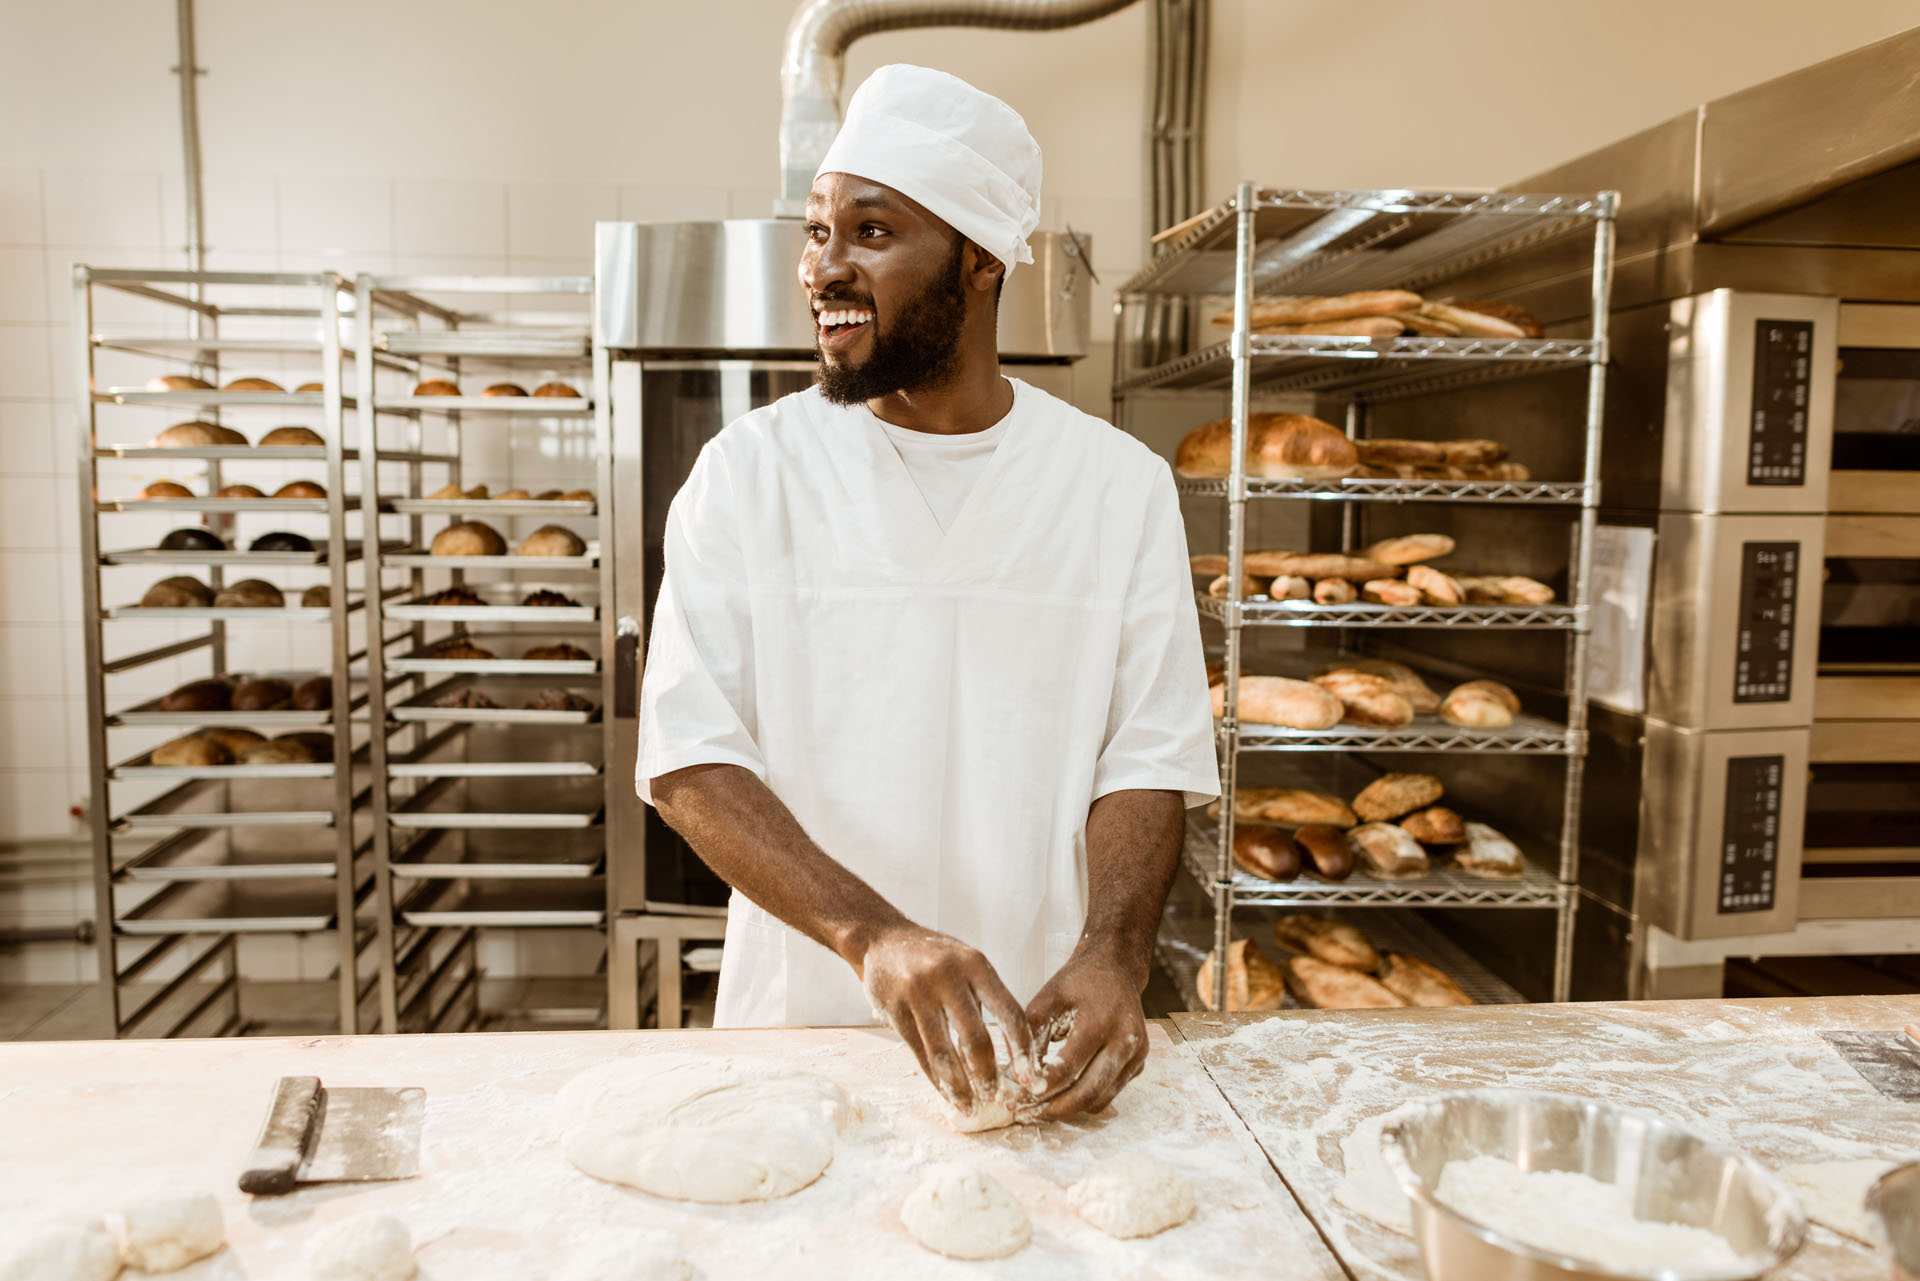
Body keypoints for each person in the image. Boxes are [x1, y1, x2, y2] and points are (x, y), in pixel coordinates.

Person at [638, 63, 1217, 1123]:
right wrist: (874, 935)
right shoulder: (751, 474)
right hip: (801, 1037)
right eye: (818, 232)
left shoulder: (1114, 488)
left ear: (980, 262)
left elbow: (1148, 754)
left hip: (1041, 1044)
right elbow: (688, 756)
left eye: (871, 233)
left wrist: (1115, 958)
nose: (823, 270)